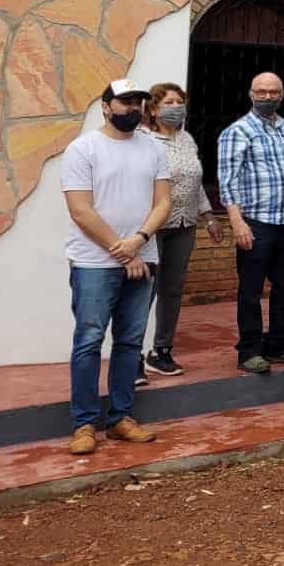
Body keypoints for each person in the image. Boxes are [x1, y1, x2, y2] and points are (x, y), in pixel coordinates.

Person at [60, 79, 169, 454]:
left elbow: (163, 202)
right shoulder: (83, 149)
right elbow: (80, 210)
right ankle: (84, 424)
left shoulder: (154, 148)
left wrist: (139, 240)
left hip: (143, 258)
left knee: (130, 342)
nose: (134, 108)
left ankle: (121, 418)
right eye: (125, 102)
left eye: (139, 102)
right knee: (89, 341)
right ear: (106, 107)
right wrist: (124, 252)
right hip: (94, 262)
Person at [217, 71, 284, 375]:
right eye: (261, 92)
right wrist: (237, 222)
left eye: (273, 92)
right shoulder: (237, 131)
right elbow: (227, 181)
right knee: (251, 291)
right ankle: (250, 350)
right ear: (251, 94)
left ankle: (278, 344)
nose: (268, 97)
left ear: (282, 95)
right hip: (255, 223)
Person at [140, 82, 213, 377]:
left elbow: (196, 183)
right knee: (145, 290)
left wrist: (208, 216)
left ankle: (162, 350)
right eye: (168, 102)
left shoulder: (187, 139)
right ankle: (133, 355)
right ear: (153, 109)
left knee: (172, 289)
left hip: (184, 224)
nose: (176, 107)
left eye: (179, 102)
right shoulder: (144, 140)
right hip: (154, 225)